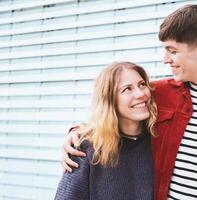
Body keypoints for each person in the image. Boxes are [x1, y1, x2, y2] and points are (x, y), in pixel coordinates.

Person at [61, 4, 197, 200]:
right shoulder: (157, 94)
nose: (166, 59)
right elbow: (114, 111)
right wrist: (77, 133)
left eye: (173, 51)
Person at [55, 61, 157, 200]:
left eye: (142, 84)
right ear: (109, 100)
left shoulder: (159, 141)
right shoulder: (85, 148)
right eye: (127, 89)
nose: (140, 94)